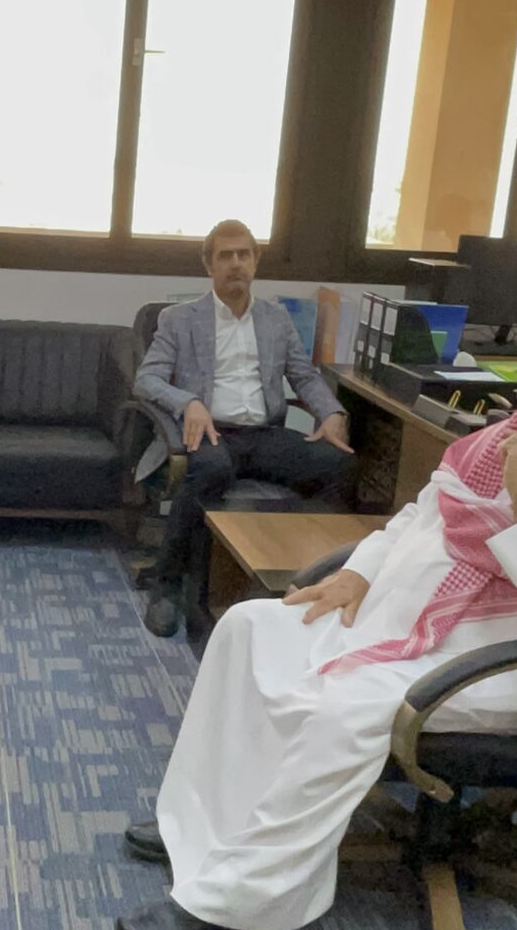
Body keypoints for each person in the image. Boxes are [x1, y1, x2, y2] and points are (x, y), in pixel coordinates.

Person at [116, 327, 517, 930]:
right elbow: (416, 519)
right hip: (397, 622)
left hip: (483, 666)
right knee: (247, 629)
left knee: (337, 711)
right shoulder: (503, 442)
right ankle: (202, 825)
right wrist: (358, 571)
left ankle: (231, 899)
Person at [133, 220, 354, 638]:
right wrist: (188, 402)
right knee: (212, 470)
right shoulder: (178, 319)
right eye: (225, 256)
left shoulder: (276, 319)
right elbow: (146, 380)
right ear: (209, 266)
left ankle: (309, 577)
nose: (235, 263)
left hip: (264, 434)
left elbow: (304, 376)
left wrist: (331, 413)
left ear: (255, 261)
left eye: (243, 254)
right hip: (212, 433)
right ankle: (168, 585)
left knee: (337, 464)